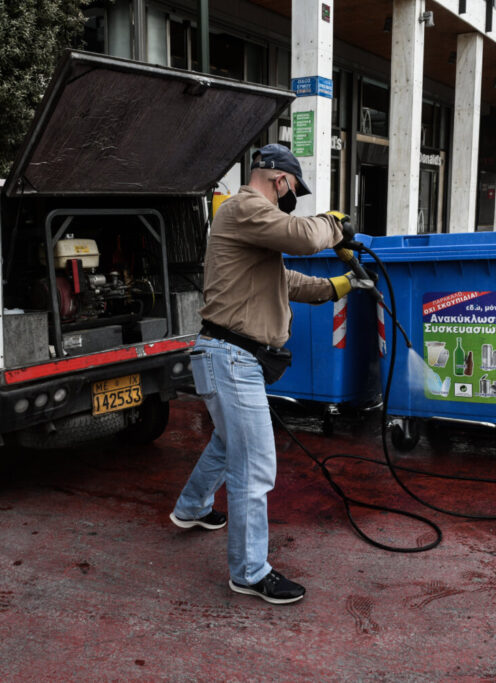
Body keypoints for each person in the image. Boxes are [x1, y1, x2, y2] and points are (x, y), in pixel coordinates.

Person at [169, 143, 371, 605]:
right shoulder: (244, 207)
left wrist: (338, 286)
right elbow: (304, 236)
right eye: (291, 192)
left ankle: (192, 508)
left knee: (227, 443)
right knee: (254, 467)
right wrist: (336, 224)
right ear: (280, 179)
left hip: (232, 359)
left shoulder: (250, 226)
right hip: (231, 358)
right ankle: (248, 572)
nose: (288, 200)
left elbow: (284, 281)